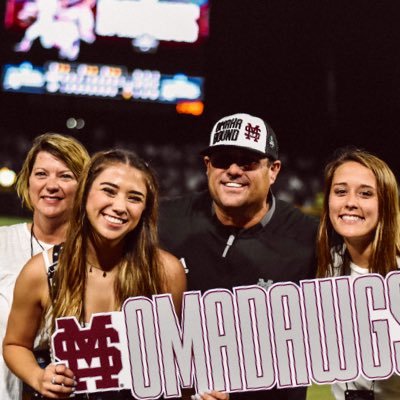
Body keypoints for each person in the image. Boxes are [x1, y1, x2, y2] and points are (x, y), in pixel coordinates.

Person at [3, 149, 228, 400]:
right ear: (85, 193)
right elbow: (15, 345)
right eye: (108, 191)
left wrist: (198, 396)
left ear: (145, 209)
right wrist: (38, 376)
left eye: (134, 198)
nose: (119, 206)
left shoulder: (165, 271)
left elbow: (175, 360)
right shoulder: (42, 270)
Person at [158, 112, 318, 399]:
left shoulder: (311, 237)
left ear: (274, 170)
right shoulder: (163, 219)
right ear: (207, 167)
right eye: (221, 160)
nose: (233, 170)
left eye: (248, 161)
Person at [0, 133, 89, 400]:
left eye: (65, 176)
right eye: (41, 174)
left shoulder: (98, 256)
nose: (52, 185)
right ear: (28, 182)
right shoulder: (2, 243)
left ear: (84, 186)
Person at [317, 147, 400, 399]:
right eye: (340, 191)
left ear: (384, 203)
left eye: (366, 194)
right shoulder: (321, 266)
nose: (350, 202)